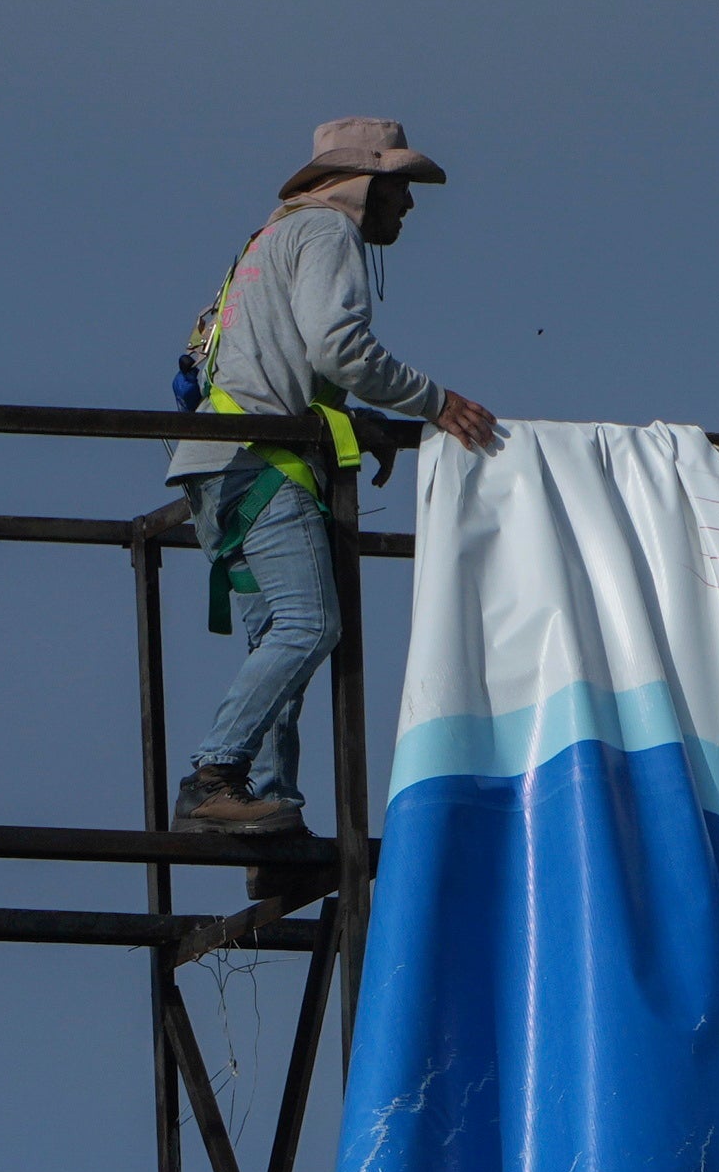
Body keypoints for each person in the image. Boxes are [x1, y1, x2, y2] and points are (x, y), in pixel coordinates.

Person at [163, 116, 502, 837]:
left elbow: (288, 364)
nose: (409, 206)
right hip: (260, 462)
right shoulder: (325, 234)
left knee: (279, 640)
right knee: (311, 623)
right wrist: (435, 403)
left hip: (218, 467)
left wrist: (354, 424)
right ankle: (215, 776)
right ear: (366, 185)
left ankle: (268, 818)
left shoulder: (271, 240)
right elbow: (339, 345)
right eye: (401, 189)